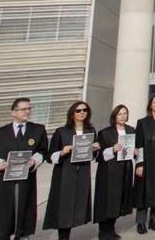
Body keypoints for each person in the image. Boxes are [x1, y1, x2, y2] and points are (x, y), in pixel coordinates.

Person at [0, 97, 48, 240]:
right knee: (2, 216)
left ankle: (22, 235)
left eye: (29, 108)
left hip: (25, 181)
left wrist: (35, 160)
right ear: (13, 112)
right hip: (3, 183)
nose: (27, 111)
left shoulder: (38, 130)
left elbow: (43, 151)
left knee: (23, 211)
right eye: (23, 109)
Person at [44, 101, 99, 238]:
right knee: (64, 205)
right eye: (78, 110)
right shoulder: (62, 131)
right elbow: (50, 156)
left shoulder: (90, 131)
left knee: (78, 205)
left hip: (82, 172)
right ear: (72, 113)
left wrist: (95, 149)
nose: (82, 113)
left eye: (85, 110)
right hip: (65, 172)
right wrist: (63, 152)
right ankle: (63, 236)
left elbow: (93, 155)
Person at [94, 105, 136, 239]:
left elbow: (134, 148)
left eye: (125, 113)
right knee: (107, 200)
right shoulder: (105, 133)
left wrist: (135, 152)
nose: (123, 116)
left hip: (125, 169)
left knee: (120, 199)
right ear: (114, 116)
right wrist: (112, 149)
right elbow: (99, 156)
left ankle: (111, 228)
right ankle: (103, 230)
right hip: (109, 171)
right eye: (120, 114)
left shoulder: (131, 130)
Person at [133, 94, 155, 233]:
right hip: (148, 161)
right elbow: (139, 144)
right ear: (150, 105)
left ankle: (154, 219)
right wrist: (139, 164)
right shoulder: (143, 123)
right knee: (144, 191)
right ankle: (141, 222)